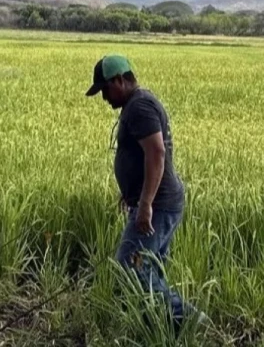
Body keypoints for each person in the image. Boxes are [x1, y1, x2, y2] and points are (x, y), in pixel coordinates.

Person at [85, 54, 206, 332]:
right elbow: (144, 156)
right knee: (149, 269)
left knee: (131, 267)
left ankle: (190, 321)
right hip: (159, 202)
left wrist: (145, 204)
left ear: (119, 80)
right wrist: (130, 191)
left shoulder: (139, 106)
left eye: (105, 89)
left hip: (158, 205)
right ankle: (164, 331)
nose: (104, 98)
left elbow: (156, 153)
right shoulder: (138, 103)